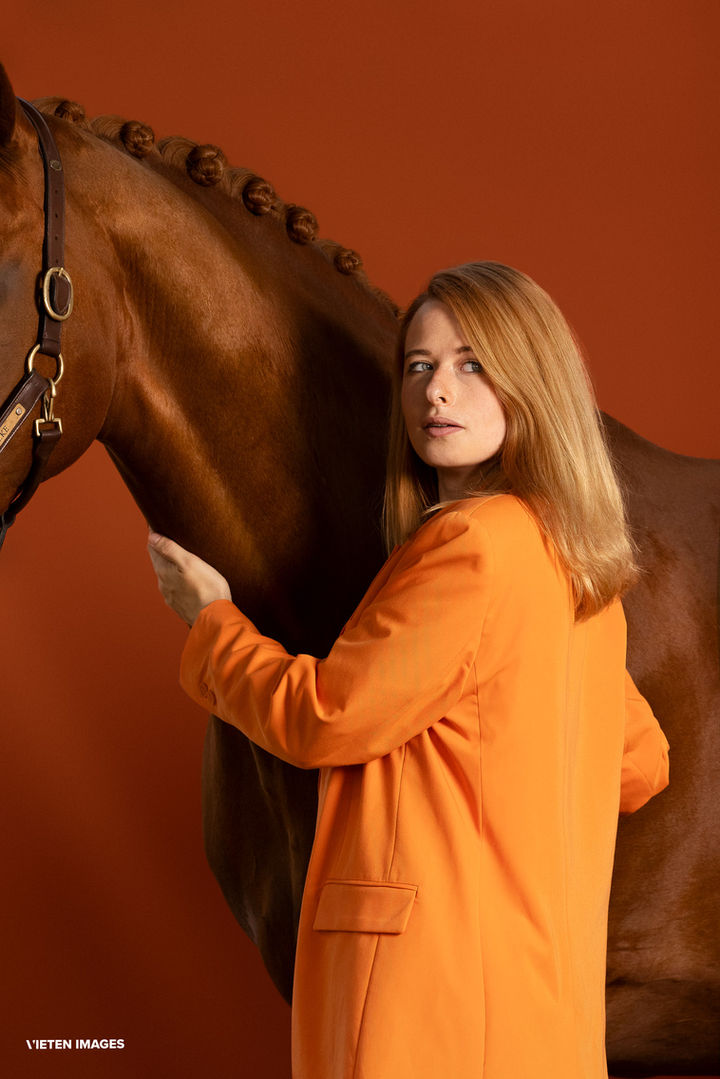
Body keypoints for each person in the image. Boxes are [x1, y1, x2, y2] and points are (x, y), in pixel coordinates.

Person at [147, 261, 669, 1079]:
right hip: (538, 1015)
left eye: (472, 364)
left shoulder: (472, 545)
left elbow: (325, 716)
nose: (437, 391)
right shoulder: (578, 574)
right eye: (419, 367)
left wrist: (212, 622)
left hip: (431, 1005)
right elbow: (640, 760)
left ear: (532, 382)